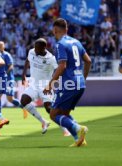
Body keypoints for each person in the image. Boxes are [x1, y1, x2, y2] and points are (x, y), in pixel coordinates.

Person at [43, 18, 92, 147]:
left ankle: (78, 128)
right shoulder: (77, 42)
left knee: (53, 114)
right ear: (67, 29)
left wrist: (50, 84)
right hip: (79, 83)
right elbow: (88, 61)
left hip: (69, 83)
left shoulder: (60, 44)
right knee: (64, 114)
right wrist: (83, 78)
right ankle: (78, 140)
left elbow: (62, 66)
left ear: (54, 30)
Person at [21, 38, 68, 135]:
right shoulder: (32, 52)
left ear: (44, 48)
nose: (35, 50)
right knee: (24, 100)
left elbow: (60, 69)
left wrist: (52, 83)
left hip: (45, 85)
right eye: (35, 47)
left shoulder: (51, 59)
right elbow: (27, 61)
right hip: (33, 84)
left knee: (48, 108)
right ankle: (43, 122)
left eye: (37, 48)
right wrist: (23, 74)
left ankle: (65, 129)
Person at [0, 41, 26, 118]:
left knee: (10, 99)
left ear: (3, 46)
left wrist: (5, 73)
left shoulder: (6, 55)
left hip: (8, 80)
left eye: (1, 46)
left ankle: (24, 108)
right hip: (1, 80)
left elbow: (11, 66)